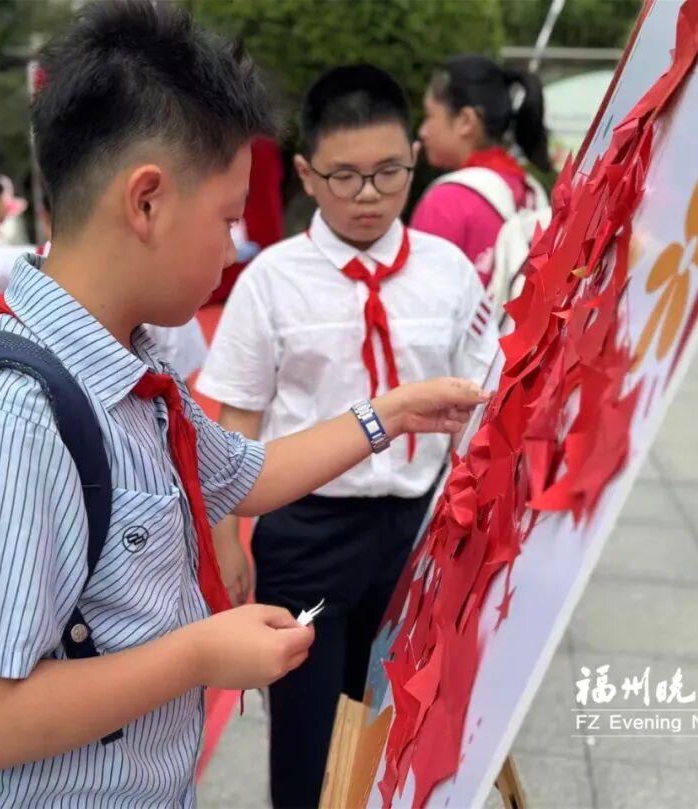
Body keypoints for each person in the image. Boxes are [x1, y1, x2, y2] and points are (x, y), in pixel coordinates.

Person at [0, 5, 488, 806]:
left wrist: (390, 414)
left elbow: (247, 473)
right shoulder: (3, 419)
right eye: (228, 218)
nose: (234, 248)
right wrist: (196, 656)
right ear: (147, 202)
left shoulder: (128, 362)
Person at [195, 64, 498, 808]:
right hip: (308, 531)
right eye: (344, 177)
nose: (369, 196)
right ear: (306, 171)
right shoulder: (272, 279)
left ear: (413, 160)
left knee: (395, 712)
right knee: (305, 728)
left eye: (388, 173)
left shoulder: (449, 271)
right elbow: (238, 415)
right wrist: (230, 540)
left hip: (415, 527)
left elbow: (480, 400)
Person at [412, 55, 551, 287]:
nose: (422, 131)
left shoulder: (446, 201)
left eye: (429, 115)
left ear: (466, 120)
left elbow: (419, 302)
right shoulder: (532, 192)